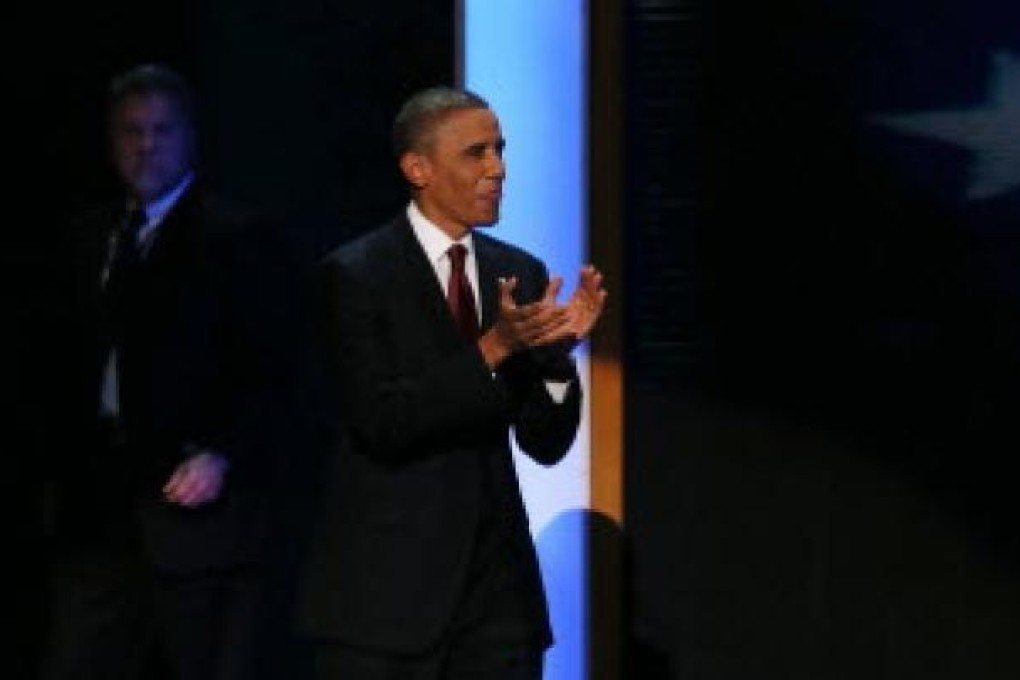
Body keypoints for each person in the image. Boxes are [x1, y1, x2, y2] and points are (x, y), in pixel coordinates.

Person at [300, 86, 607, 679]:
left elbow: (546, 445)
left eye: (500, 150)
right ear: (417, 168)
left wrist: (557, 361)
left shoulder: (515, 272)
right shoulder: (356, 276)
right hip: (387, 601)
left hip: (496, 601)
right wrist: (494, 348)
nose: (498, 169)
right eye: (476, 153)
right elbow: (385, 422)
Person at [44, 63, 295, 680]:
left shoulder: (235, 236)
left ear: (190, 139)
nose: (146, 145)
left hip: (195, 513)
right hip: (101, 508)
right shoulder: (91, 235)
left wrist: (222, 453)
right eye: (132, 131)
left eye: (162, 130)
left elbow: (276, 369)